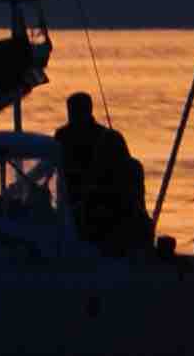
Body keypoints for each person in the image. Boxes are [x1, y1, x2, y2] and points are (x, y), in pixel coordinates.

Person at [53, 88, 149, 257]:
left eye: (74, 111)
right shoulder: (65, 136)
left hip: (88, 209)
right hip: (80, 204)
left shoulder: (66, 136)